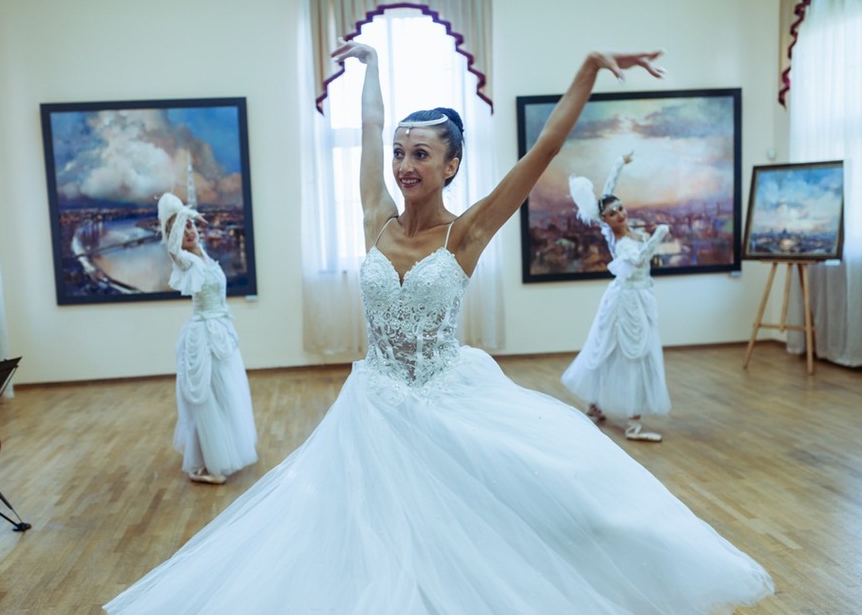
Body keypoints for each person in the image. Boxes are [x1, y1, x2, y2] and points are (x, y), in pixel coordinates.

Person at [104, 44, 772, 614]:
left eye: (420, 154)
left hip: (446, 401)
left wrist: (589, 68)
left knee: (496, 525)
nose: (403, 165)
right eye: (400, 153)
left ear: (450, 165)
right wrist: (370, 65)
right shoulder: (376, 217)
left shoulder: (468, 232)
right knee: (366, 540)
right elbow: (368, 128)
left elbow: (544, 147)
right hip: (373, 405)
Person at [562, 153, 672, 442]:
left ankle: (595, 405)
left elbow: (607, 195)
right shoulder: (620, 241)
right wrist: (657, 237)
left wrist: (619, 165)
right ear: (604, 220)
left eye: (621, 208)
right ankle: (633, 423)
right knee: (629, 353)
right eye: (612, 213)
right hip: (627, 302)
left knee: (618, 351)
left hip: (636, 296)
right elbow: (638, 260)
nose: (620, 214)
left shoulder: (627, 230)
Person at [157, 192, 258, 485]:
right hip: (202, 336)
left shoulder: (206, 258)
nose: (188, 231)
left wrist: (185, 217)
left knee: (226, 392)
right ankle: (207, 463)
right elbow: (172, 248)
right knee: (206, 397)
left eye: (190, 226)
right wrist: (183, 215)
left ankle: (223, 450)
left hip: (221, 332)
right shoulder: (185, 261)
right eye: (181, 228)